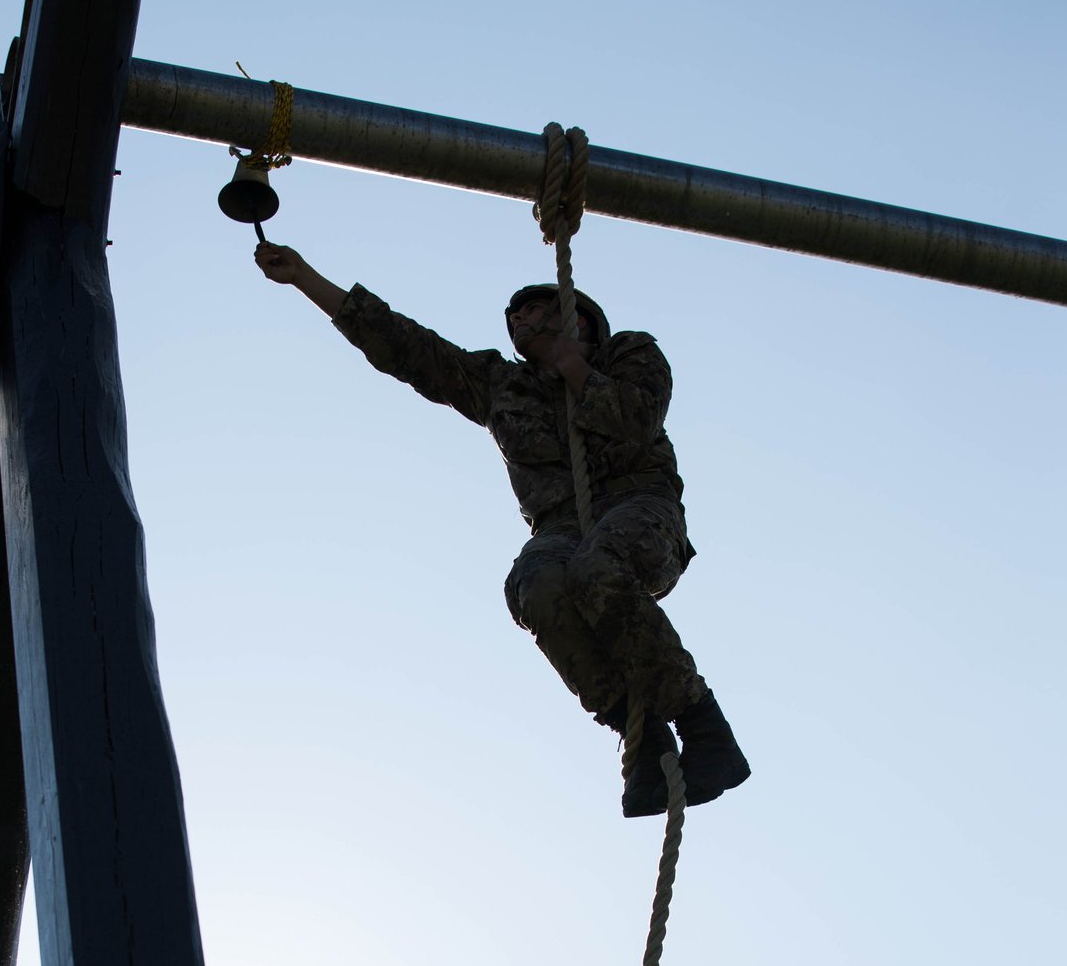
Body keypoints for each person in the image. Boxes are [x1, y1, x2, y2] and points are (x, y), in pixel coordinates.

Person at [253, 242, 750, 816]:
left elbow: (636, 419)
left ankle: (704, 728)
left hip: (639, 505)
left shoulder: (629, 352)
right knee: (536, 585)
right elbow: (409, 349)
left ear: (578, 317)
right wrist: (306, 278)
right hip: (560, 525)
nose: (519, 319)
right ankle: (642, 738)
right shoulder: (502, 385)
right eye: (513, 316)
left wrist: (571, 367)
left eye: (533, 309)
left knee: (597, 569)